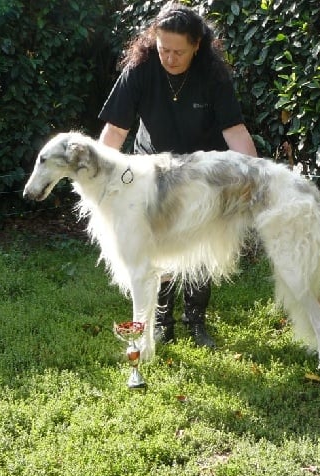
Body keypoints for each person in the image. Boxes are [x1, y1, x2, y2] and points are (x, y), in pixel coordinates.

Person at [98, 1, 257, 348]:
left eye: (178, 52)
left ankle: (196, 321)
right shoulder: (140, 68)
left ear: (197, 46)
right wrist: (100, 182)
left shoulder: (213, 75)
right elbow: (114, 130)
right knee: (158, 245)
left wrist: (257, 179)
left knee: (200, 242)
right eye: (162, 49)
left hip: (201, 174)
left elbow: (235, 132)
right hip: (151, 173)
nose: (169, 58)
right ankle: (162, 321)